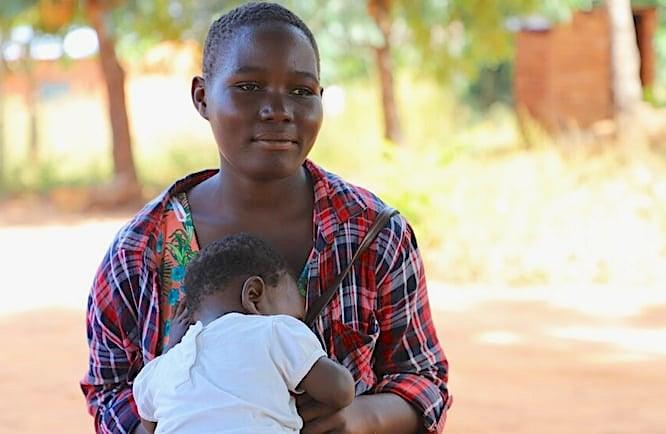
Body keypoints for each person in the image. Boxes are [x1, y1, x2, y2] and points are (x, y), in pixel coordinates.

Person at [81, 2, 450, 434]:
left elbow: (425, 382)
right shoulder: (140, 252)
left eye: (301, 91)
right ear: (202, 96)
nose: (278, 109)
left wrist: (360, 418)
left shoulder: (374, 235)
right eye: (250, 86)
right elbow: (108, 394)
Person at [132, 233, 355, 434]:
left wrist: (171, 349)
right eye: (297, 318)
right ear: (254, 295)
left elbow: (150, 424)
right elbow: (341, 390)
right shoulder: (275, 331)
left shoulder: (158, 370)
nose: (299, 325)